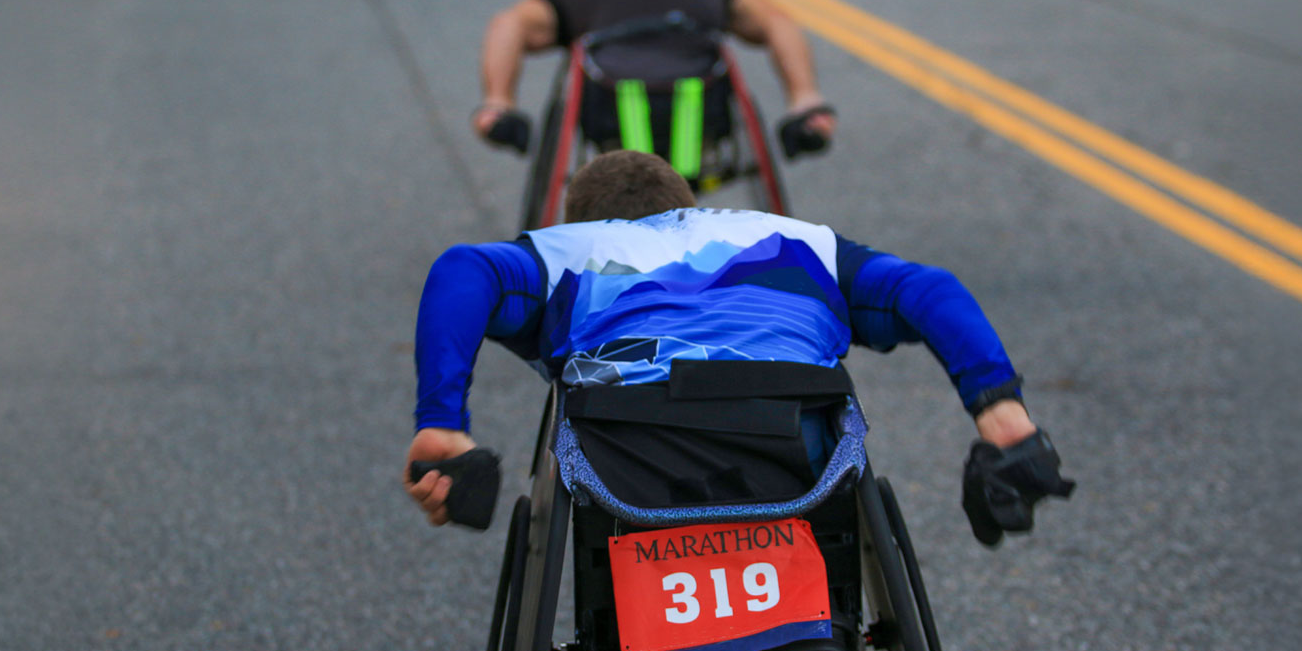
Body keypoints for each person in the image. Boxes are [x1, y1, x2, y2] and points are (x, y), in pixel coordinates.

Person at [403, 150, 1073, 547]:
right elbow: (927, 290)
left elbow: (464, 270)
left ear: (587, 223)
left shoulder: (567, 248)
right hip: (798, 455)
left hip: (631, 461)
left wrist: (442, 421)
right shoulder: (799, 239)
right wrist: (999, 412)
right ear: (688, 207)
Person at [472, 0, 838, 163]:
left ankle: (495, 107)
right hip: (700, 97)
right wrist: (803, 98)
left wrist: (499, 102)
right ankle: (807, 103)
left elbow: (507, 24)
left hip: (614, 107)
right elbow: (775, 21)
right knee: (766, 27)